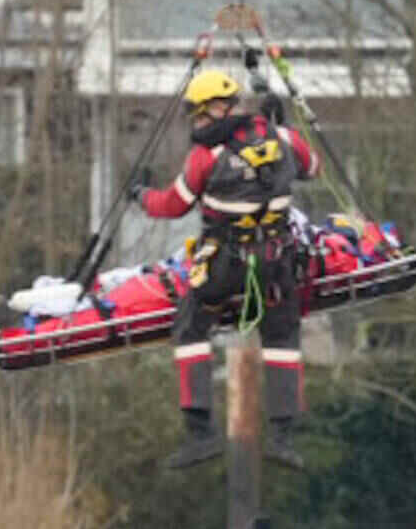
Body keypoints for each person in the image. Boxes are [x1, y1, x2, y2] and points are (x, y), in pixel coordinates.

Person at [133, 69, 318, 470]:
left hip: (223, 268)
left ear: (214, 110)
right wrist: (281, 126)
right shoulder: (285, 140)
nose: (196, 125)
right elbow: (313, 167)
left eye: (198, 116)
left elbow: (172, 205)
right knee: (283, 334)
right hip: (277, 263)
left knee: (190, 325)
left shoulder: (206, 156)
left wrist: (140, 195)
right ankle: (284, 439)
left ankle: (200, 432)